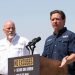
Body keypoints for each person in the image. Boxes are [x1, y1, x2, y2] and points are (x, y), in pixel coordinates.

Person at [42, 10, 75, 75]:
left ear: (64, 21)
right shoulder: (48, 39)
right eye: (52, 19)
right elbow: (44, 58)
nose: (55, 21)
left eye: (57, 19)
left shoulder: (71, 36)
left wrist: (67, 60)